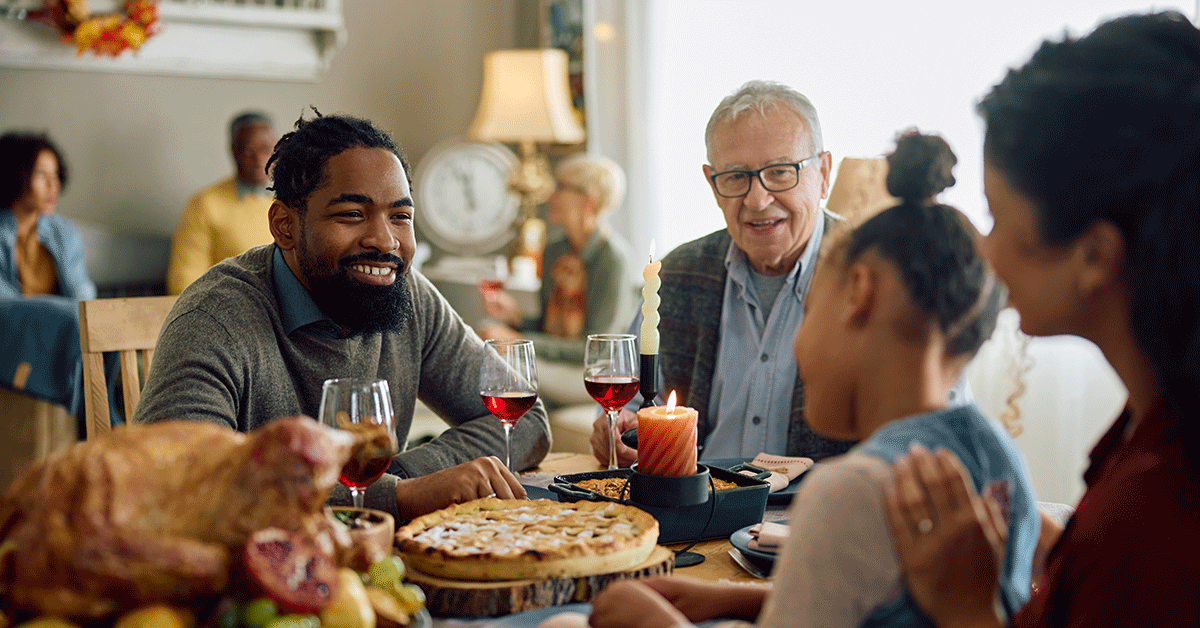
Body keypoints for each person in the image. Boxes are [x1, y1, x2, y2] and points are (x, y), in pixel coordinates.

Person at [588, 131, 1036, 628]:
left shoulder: (850, 492)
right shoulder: (1002, 461)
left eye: (810, 307)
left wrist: (654, 621)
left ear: (858, 295)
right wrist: (735, 600)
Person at [882, 11, 1200, 628]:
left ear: (1094, 256)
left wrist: (967, 608)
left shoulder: (1154, 510)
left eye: (999, 217)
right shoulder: (1151, 424)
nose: (985, 250)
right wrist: (1061, 547)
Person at [133, 110, 550, 521]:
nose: (385, 240)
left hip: (380, 564)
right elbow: (177, 483)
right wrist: (398, 497)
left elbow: (525, 419)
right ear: (284, 226)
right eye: (352, 214)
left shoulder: (409, 296)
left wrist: (400, 478)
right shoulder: (213, 319)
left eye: (400, 217)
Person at [591, 80, 856, 467]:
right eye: (736, 177)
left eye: (781, 172)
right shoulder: (678, 272)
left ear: (824, 173)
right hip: (696, 508)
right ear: (713, 185)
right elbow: (627, 403)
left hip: (814, 517)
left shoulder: (872, 277)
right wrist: (616, 431)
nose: (757, 199)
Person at [477, 153, 635, 405]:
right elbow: (549, 331)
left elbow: (599, 348)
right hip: (558, 363)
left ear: (589, 200)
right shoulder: (553, 251)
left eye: (562, 187)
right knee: (488, 340)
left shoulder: (613, 259)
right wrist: (517, 320)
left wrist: (519, 341)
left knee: (497, 362)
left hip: (595, 373)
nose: (552, 195)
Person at [0, 132, 121, 426]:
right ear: (16, 175)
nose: (53, 185)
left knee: (101, 318)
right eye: (42, 175)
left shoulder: (63, 231)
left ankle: (104, 415)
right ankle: (101, 424)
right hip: (12, 323)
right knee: (73, 317)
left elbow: (82, 291)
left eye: (56, 175)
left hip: (60, 326)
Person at [166, 110, 278, 295]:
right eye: (249, 151)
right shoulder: (205, 205)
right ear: (234, 152)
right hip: (228, 311)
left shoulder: (293, 201)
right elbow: (184, 283)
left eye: (266, 149)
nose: (259, 160)